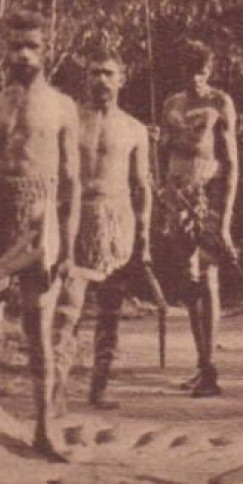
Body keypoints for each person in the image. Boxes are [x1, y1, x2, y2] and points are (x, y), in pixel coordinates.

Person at [0, 11, 82, 459]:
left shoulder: (62, 106)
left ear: (47, 51)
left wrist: (69, 245)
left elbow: (72, 180)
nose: (22, 54)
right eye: (15, 46)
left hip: (41, 220)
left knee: (39, 330)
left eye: (32, 46)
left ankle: (44, 428)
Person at [66, 47, 154, 411]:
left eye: (107, 73)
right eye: (94, 73)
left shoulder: (134, 129)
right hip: (75, 216)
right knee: (67, 308)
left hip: (117, 220)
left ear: (121, 79)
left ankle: (98, 387)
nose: (100, 80)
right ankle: (55, 387)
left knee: (110, 309)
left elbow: (142, 184)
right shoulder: (71, 120)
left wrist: (145, 237)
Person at [159, 41, 239, 398]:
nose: (196, 80)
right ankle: (201, 362)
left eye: (202, 72)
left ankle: (210, 369)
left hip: (208, 194)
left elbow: (232, 162)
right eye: (190, 72)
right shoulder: (171, 104)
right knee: (188, 279)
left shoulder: (220, 103)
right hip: (177, 195)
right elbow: (163, 153)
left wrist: (225, 220)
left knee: (208, 275)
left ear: (210, 71)